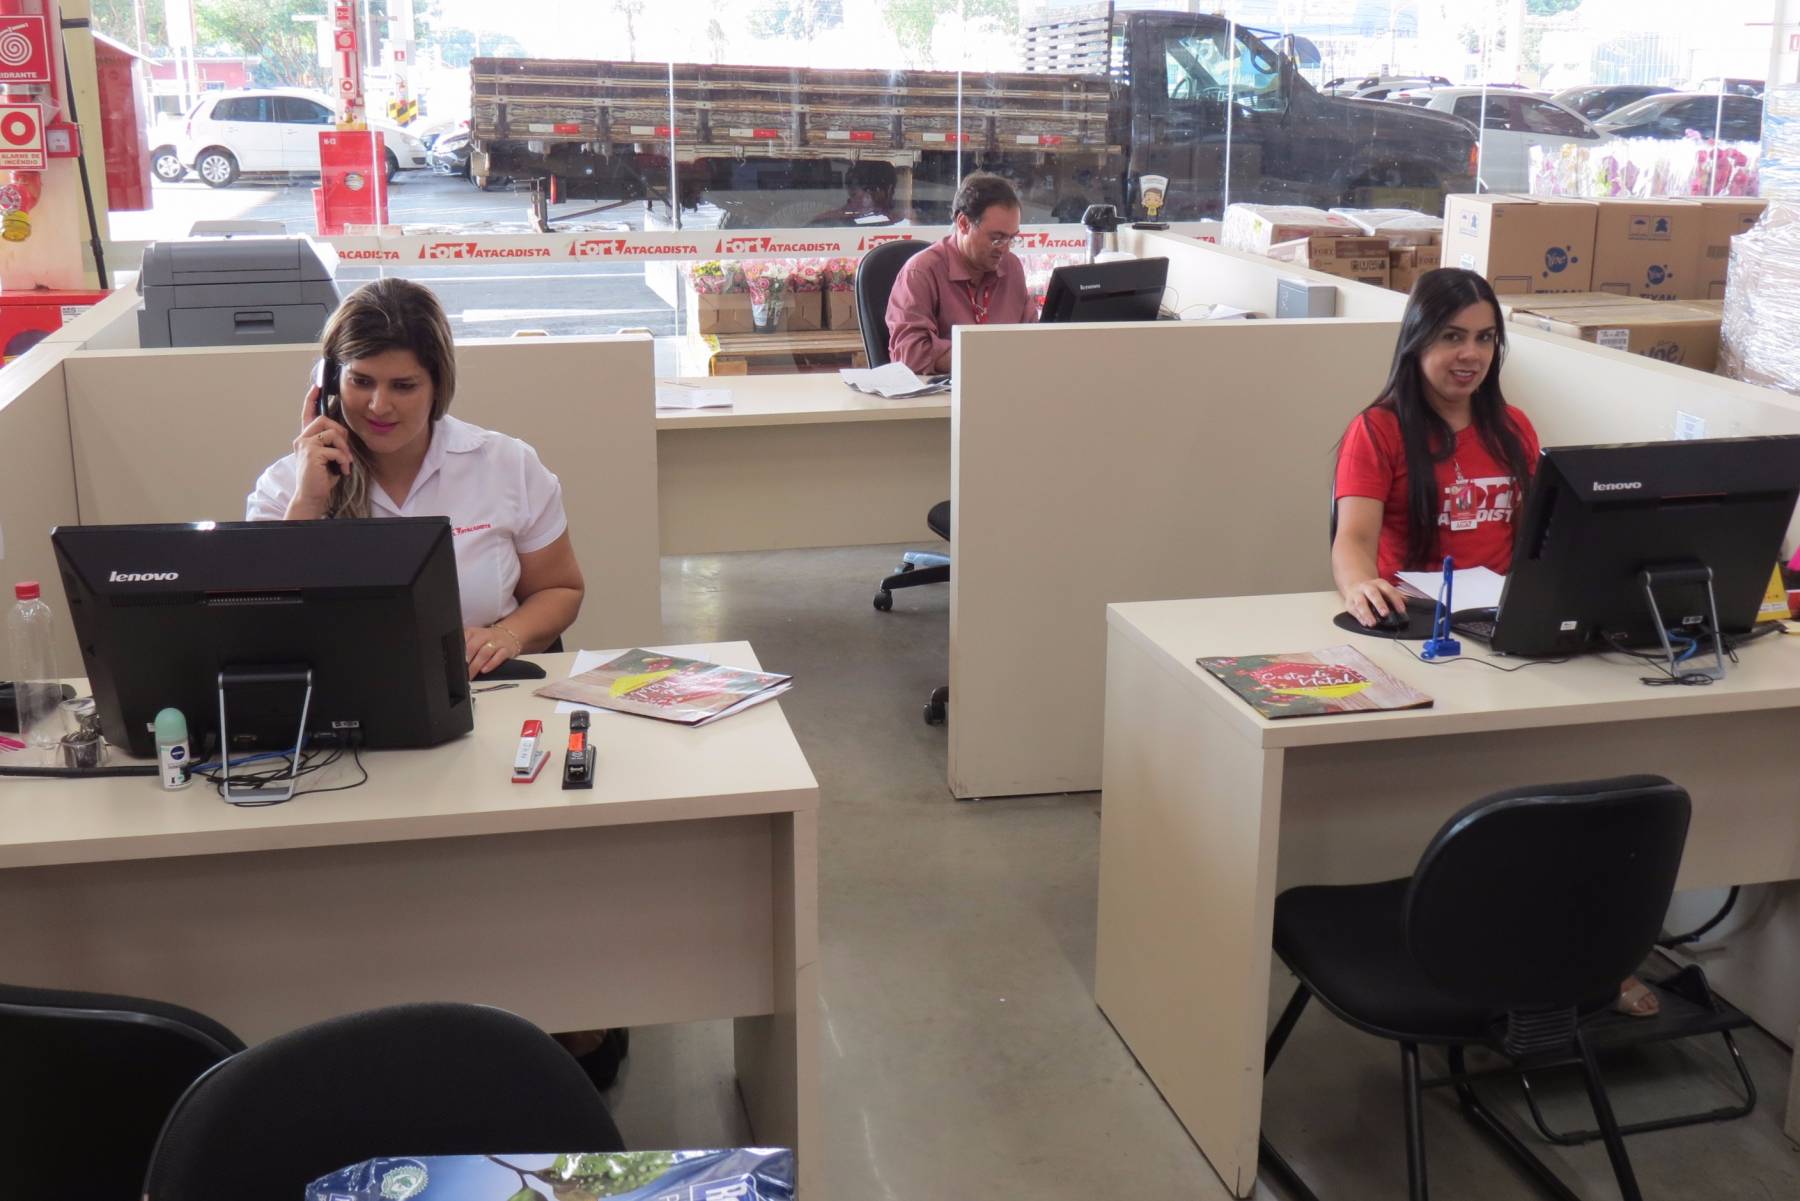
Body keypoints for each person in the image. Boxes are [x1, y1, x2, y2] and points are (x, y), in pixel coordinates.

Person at [1330, 266, 1657, 1019]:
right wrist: (1358, 585)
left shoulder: (1514, 428)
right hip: (1418, 631)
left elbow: (1543, 536)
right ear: (1417, 340)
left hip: (1506, 630)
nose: (1469, 355)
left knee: (1567, 784)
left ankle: (1586, 955)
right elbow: (1352, 540)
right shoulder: (1377, 430)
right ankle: (1484, 944)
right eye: (1452, 337)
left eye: (1484, 338)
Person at [246, 278, 584, 681]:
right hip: (342, 692)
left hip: (480, 688)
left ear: (438, 385)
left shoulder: (506, 464)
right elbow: (265, 628)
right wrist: (308, 504)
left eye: (403, 386)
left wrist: (507, 636)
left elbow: (560, 590)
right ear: (329, 382)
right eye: (361, 381)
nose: (379, 406)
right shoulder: (285, 487)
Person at [885, 172, 1036, 375]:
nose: (1005, 248)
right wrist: (987, 358)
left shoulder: (1011, 267)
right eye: (996, 238)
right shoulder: (920, 272)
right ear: (963, 224)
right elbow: (910, 354)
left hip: (1005, 385)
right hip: (945, 392)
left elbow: (1033, 339)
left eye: (1012, 238)